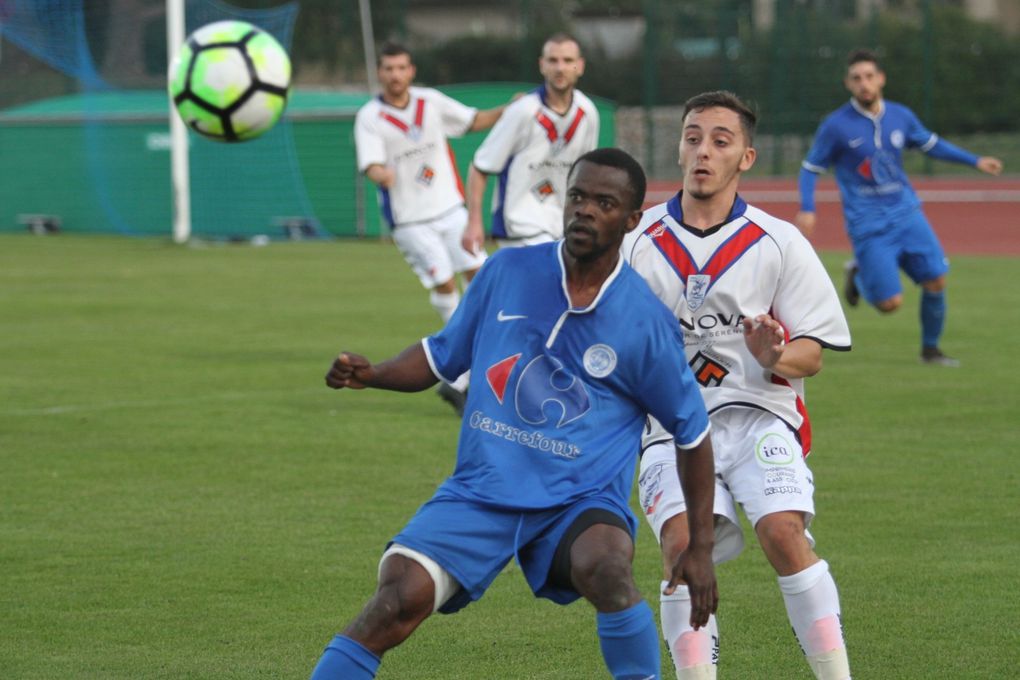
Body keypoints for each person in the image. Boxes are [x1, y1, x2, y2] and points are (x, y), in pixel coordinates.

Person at [312, 148, 718, 680]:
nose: (585, 211)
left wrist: (700, 549)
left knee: (609, 572)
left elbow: (693, 435)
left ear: (631, 219)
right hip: (482, 489)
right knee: (394, 601)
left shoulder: (645, 322)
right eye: (577, 196)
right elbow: (441, 356)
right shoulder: (506, 270)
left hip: (578, 498)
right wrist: (373, 374)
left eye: (604, 202)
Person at [623, 91, 853, 680]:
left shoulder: (778, 241)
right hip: (670, 427)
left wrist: (776, 352)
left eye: (720, 141)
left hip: (758, 416)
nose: (703, 151)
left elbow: (814, 354)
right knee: (680, 548)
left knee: (783, 532)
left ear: (746, 157)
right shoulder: (635, 240)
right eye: (693, 137)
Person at [795, 48, 1003, 367]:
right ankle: (859, 272)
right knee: (890, 304)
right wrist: (808, 207)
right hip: (868, 224)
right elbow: (810, 168)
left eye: (869, 76)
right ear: (848, 84)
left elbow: (932, 145)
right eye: (856, 78)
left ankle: (930, 351)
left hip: (907, 214)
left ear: (881, 79)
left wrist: (974, 160)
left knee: (936, 280)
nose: (864, 83)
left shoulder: (900, 116)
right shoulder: (835, 126)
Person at [354, 42, 505, 414]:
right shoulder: (370, 116)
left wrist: (512, 110)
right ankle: (461, 372)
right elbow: (370, 165)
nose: (395, 75)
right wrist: (379, 173)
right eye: (388, 68)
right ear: (380, 73)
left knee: (484, 279)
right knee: (445, 285)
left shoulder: (430, 102)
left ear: (411, 70)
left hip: (450, 210)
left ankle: (459, 377)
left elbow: (473, 121)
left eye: (401, 67)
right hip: (410, 222)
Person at [461, 33, 600, 252]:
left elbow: (587, 172)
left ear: (580, 66)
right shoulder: (522, 111)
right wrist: (474, 223)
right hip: (520, 225)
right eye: (553, 60)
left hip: (562, 224)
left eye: (568, 61)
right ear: (542, 65)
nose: (560, 68)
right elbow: (480, 167)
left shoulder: (588, 112)